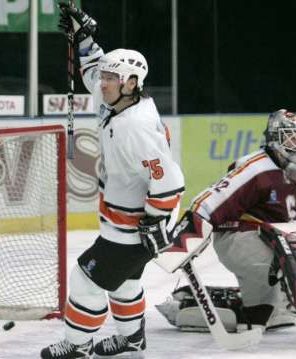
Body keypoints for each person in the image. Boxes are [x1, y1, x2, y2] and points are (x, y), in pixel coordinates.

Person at [41, 3, 185, 359]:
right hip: (125, 223)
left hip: (134, 227)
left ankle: (77, 347)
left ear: (131, 83)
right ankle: (131, 341)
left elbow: (168, 180)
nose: (101, 83)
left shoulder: (134, 127)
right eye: (104, 77)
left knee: (85, 280)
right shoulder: (119, 103)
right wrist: (85, 39)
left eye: (110, 78)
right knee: (124, 283)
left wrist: (153, 221)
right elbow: (92, 71)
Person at [161, 109, 296, 339]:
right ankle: (256, 314)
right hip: (236, 237)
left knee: (295, 267)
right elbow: (209, 201)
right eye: (290, 136)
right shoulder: (255, 168)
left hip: (271, 237)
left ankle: (278, 303)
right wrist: (184, 237)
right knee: (271, 268)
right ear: (275, 138)